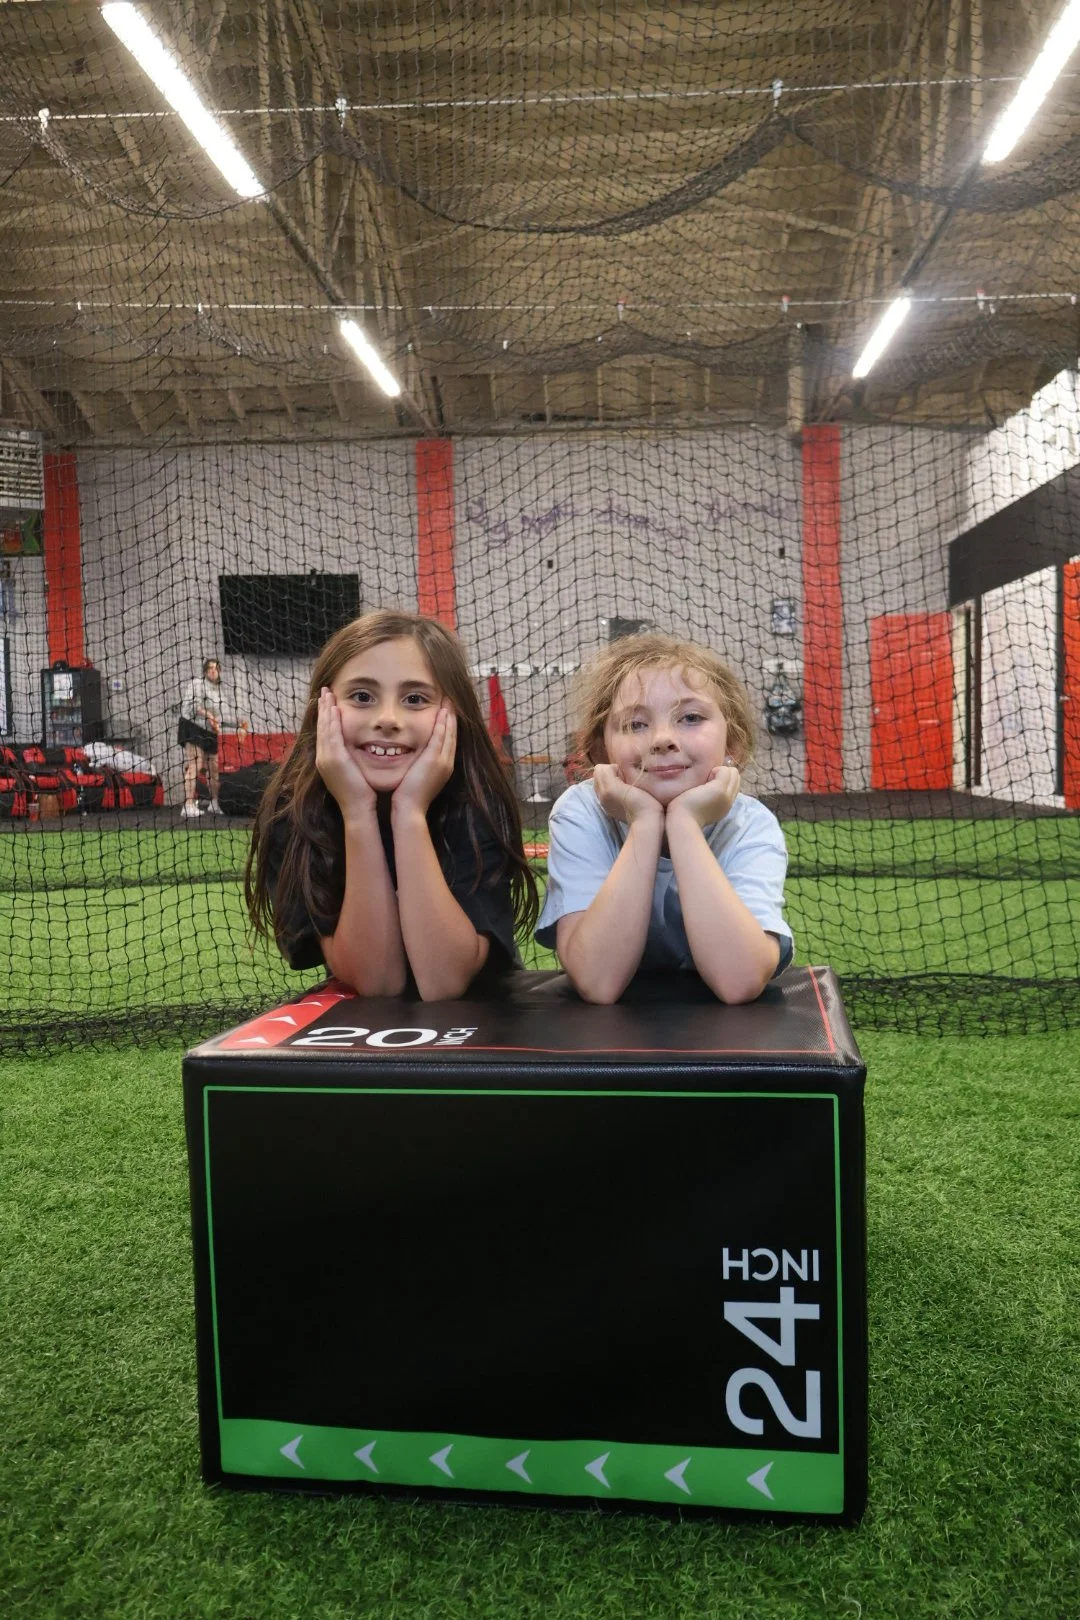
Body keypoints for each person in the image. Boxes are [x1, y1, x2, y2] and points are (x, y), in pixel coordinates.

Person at [245, 610, 539, 999]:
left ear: (451, 714)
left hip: (484, 1025)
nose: (387, 719)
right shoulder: (295, 813)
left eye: (415, 699)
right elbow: (379, 981)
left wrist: (409, 811)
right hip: (372, 1039)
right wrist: (356, 812)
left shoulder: (476, 803)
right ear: (324, 707)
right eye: (362, 696)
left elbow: (443, 981)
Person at [536, 632, 793, 1005]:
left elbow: (739, 981)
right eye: (636, 724)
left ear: (732, 744)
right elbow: (597, 980)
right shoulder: (581, 812)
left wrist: (685, 823)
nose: (662, 739)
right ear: (599, 750)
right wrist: (643, 822)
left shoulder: (749, 824)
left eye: (690, 717)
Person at [178, 657, 249, 818]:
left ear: (219, 672)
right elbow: (195, 705)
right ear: (205, 671)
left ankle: (215, 803)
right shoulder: (197, 684)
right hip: (192, 726)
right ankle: (188, 805)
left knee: (213, 767)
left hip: (209, 731)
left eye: (216, 668)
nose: (213, 671)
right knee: (195, 763)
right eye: (209, 668)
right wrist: (209, 715)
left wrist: (240, 725)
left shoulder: (220, 693)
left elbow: (223, 717)